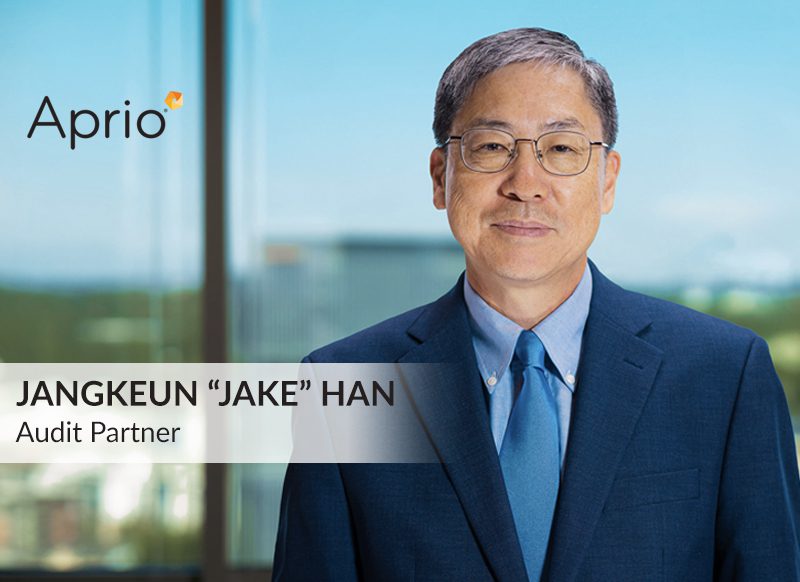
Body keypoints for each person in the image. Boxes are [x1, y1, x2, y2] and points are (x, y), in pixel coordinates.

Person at [272, 28, 800, 581]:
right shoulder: (348, 386)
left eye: (562, 149)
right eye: (492, 147)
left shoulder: (723, 376)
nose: (526, 184)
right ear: (439, 177)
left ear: (607, 181)